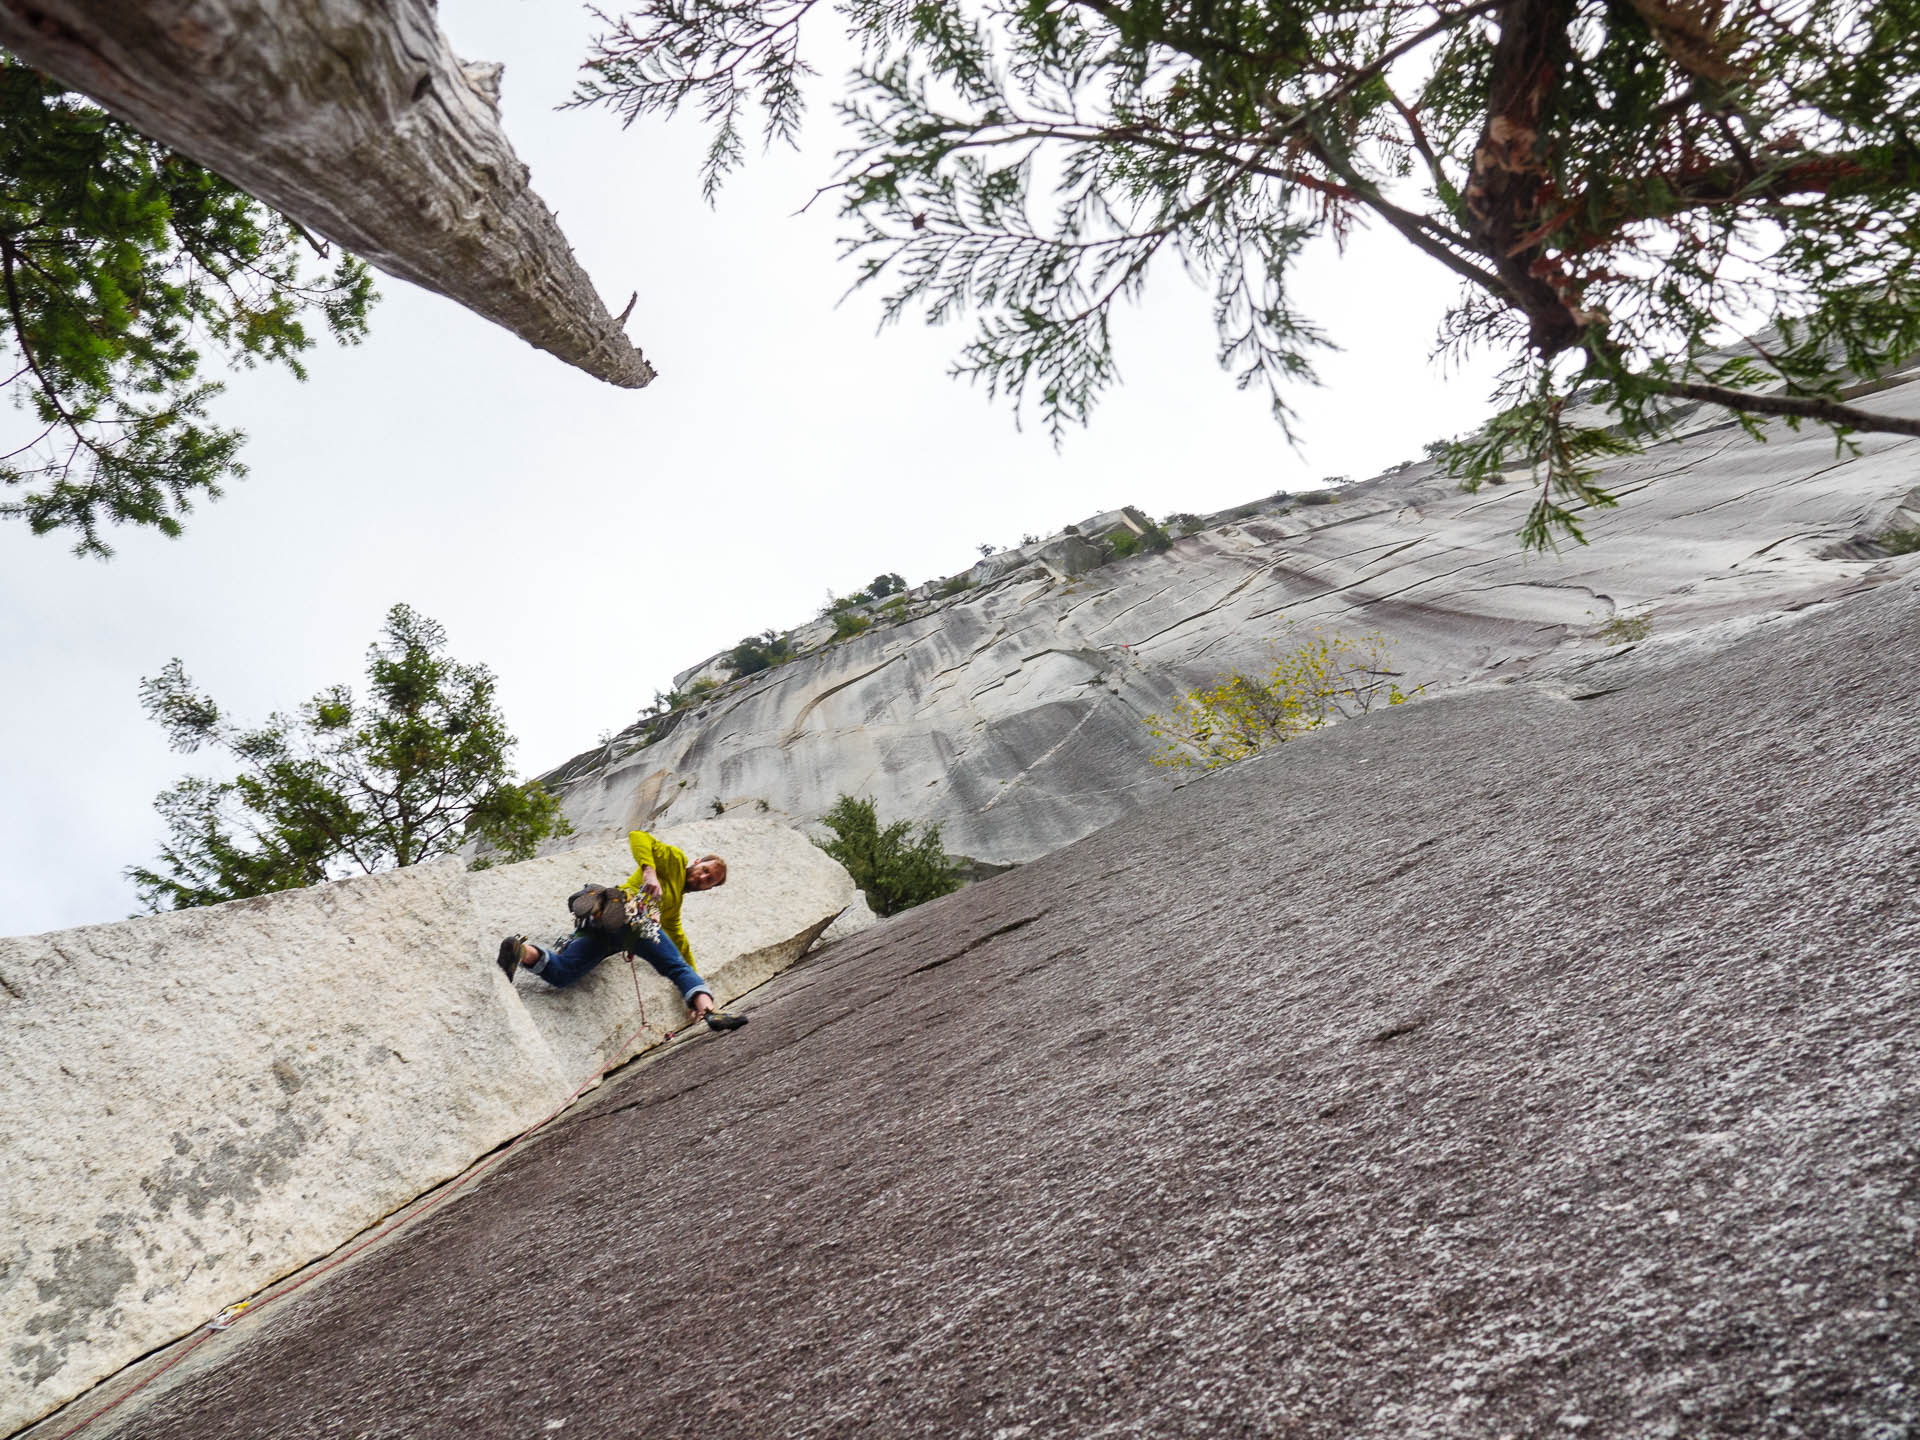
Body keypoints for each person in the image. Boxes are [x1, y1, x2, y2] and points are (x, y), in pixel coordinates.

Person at [496, 830, 748, 1033]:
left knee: (564, 973)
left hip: (606, 935)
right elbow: (639, 835)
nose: (703, 877)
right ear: (696, 862)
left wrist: (694, 974)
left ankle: (521, 951)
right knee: (675, 967)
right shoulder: (674, 860)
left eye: (709, 880)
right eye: (705, 870)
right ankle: (710, 1011)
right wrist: (650, 873)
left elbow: (681, 948)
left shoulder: (674, 909)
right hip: (635, 919)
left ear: (709, 889)